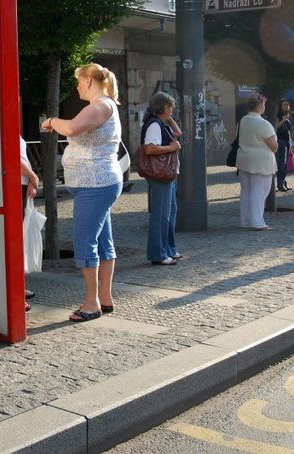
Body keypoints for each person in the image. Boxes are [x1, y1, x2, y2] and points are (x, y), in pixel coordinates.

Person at [41, 63, 122, 322]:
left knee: (85, 242)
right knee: (103, 242)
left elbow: (73, 128)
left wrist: (52, 121)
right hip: (98, 183)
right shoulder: (106, 105)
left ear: (88, 80)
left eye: (78, 81)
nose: (76, 86)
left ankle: (91, 303)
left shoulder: (99, 106)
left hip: (95, 185)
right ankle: (105, 298)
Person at [140, 92, 182, 265]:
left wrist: (168, 118)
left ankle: (169, 249)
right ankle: (158, 253)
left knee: (170, 213)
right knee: (161, 215)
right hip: (160, 175)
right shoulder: (155, 126)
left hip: (166, 175)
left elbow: (178, 133)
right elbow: (149, 149)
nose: (172, 110)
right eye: (170, 107)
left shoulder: (160, 123)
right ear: (164, 107)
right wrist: (171, 148)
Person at [236, 93, 278, 230]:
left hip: (244, 160)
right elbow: (273, 145)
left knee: (246, 191)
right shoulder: (263, 123)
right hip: (261, 163)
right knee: (259, 192)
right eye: (264, 104)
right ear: (260, 106)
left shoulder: (243, 120)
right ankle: (257, 222)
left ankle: (246, 221)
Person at [20, 136, 40, 311]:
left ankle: (17, 288)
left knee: (20, 240)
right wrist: (33, 177)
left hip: (21, 183)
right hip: (14, 184)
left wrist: (31, 180)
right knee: (16, 241)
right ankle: (16, 292)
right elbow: (14, 158)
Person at [274, 99, 292, 191]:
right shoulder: (278, 115)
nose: (286, 106)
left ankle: (284, 182)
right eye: (284, 104)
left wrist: (290, 142)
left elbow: (288, 131)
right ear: (281, 105)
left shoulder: (287, 115)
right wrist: (283, 120)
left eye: (287, 104)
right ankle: (280, 184)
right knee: (281, 163)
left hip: (287, 141)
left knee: (285, 164)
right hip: (280, 141)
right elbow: (275, 126)